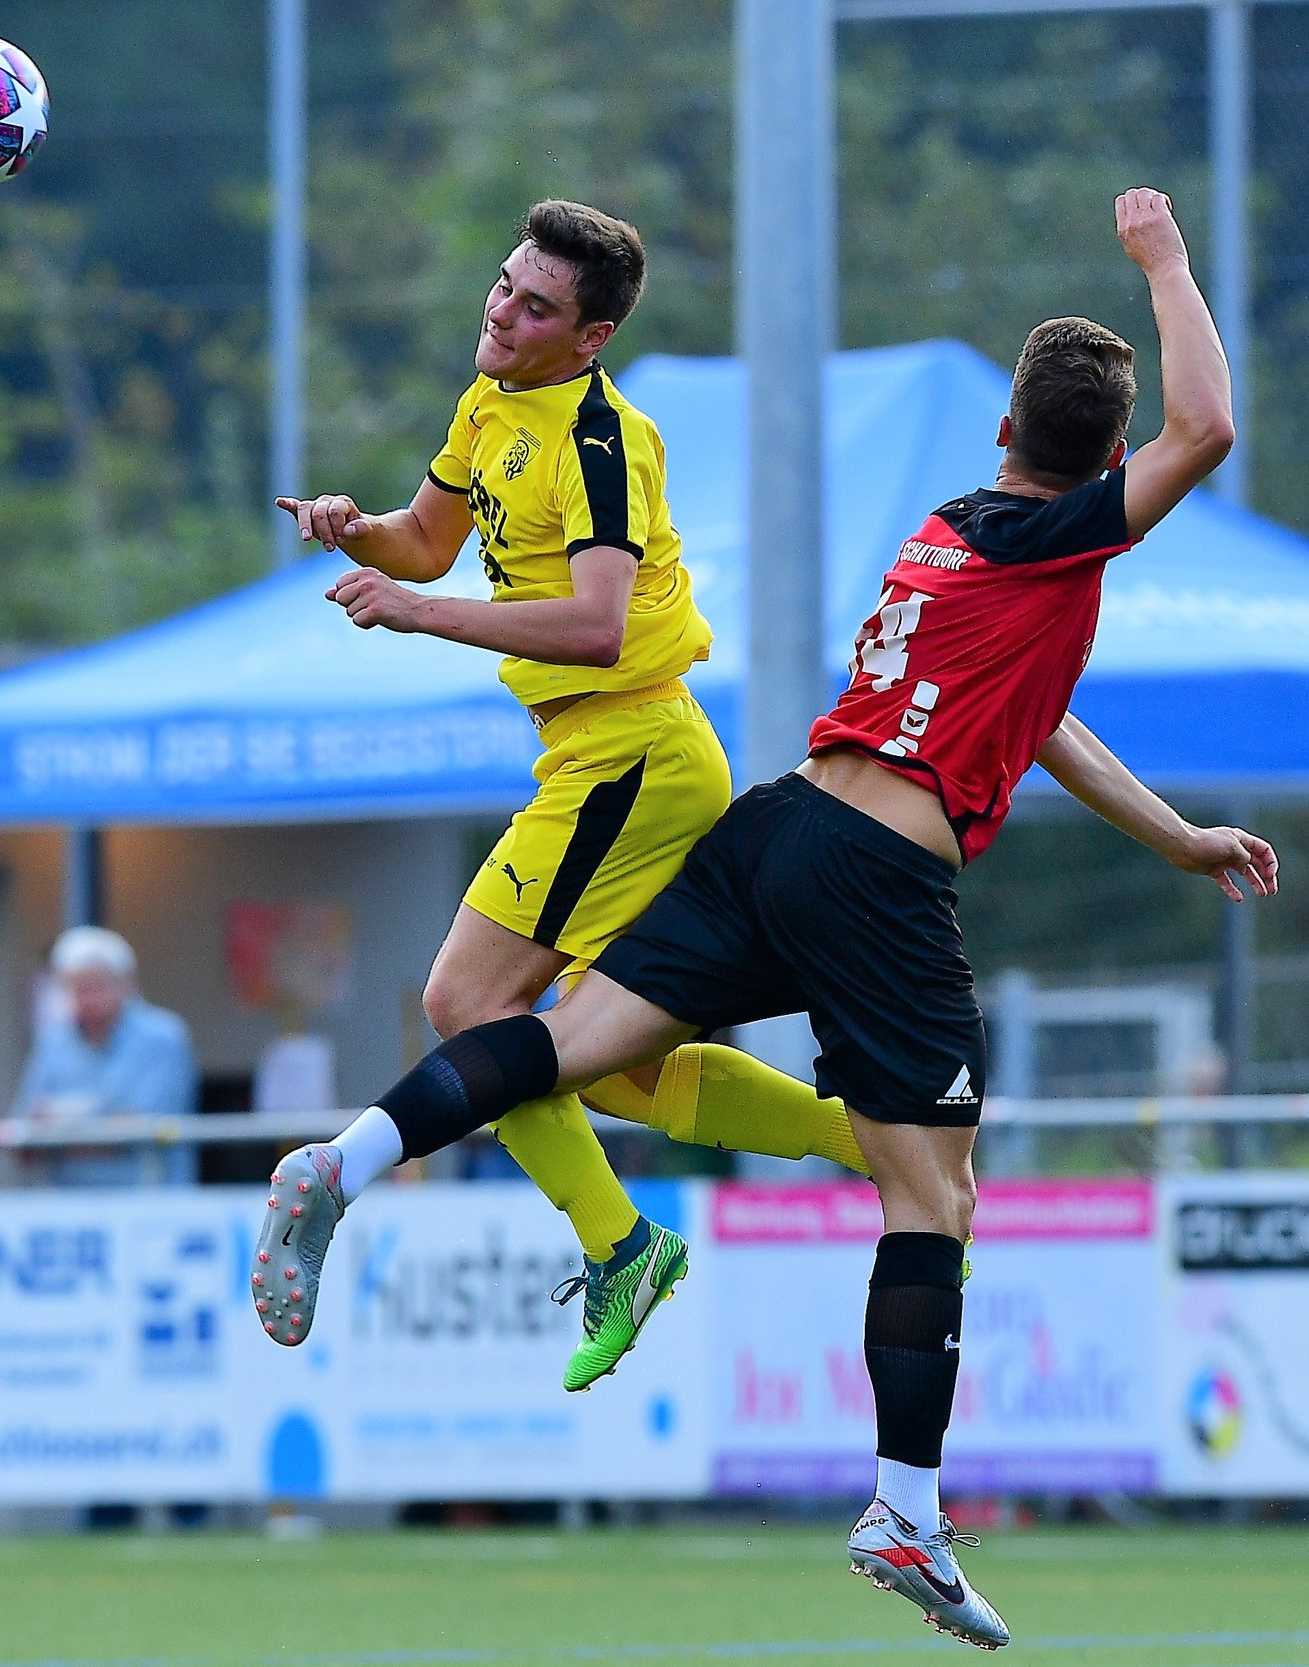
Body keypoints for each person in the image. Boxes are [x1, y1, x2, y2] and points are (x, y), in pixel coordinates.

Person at [252, 189, 1273, 1649]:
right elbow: (1210, 430)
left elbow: (1040, 721)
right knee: (938, 1197)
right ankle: (906, 1509)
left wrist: (1174, 831)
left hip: (776, 823)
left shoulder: (956, 530)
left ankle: (343, 1159)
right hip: (876, 872)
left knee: (553, 1042)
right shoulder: (1067, 533)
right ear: (1104, 463)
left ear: (1000, 436)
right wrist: (1166, 261)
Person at [274, 198, 867, 1391]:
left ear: (589, 337)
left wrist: (417, 612)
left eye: (535, 305)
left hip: (631, 752)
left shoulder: (600, 438)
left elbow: (598, 626)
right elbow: (428, 540)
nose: (500, 312)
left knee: (468, 1005)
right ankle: (873, 1140)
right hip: (605, 754)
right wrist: (358, 532)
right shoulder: (489, 400)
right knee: (598, 1063)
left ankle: (623, 1242)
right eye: (503, 285)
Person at [10, 926, 194, 1186]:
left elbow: (147, 1131)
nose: (88, 998)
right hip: (70, 1209)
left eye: (97, 985)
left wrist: (62, 1132)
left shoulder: (163, 1037)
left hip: (150, 1207)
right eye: (77, 987)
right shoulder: (53, 1041)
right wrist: (98, 1128)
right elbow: (25, 1137)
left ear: (126, 983)